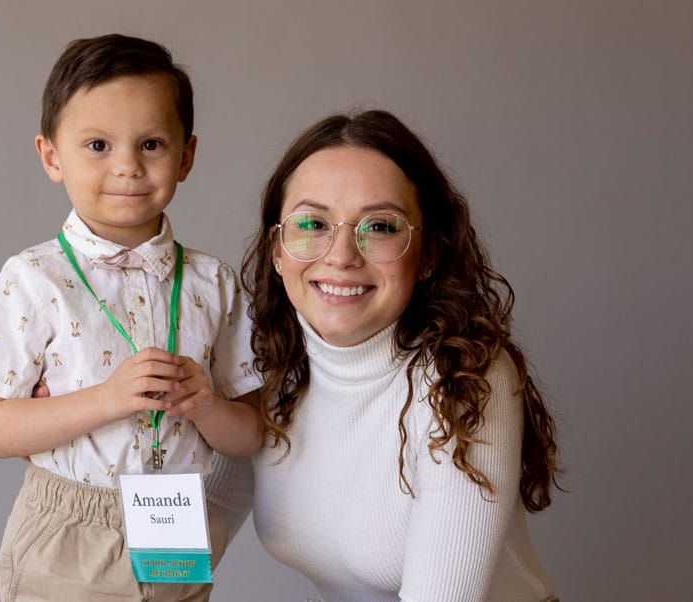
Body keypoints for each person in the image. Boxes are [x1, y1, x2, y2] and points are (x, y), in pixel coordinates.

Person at [0, 34, 262, 602]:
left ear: (186, 156)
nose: (127, 166)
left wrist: (207, 405)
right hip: (69, 527)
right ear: (51, 156)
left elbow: (252, 433)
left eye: (151, 143)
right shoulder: (33, 279)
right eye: (97, 144)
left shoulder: (214, 283)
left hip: (175, 518)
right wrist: (108, 399)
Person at [241, 110, 562, 602]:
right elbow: (178, 533)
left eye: (381, 226)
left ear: (428, 253)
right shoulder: (268, 370)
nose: (342, 254)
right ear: (278, 250)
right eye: (312, 222)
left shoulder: (465, 376)